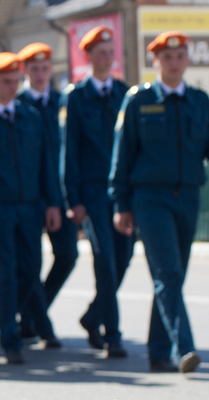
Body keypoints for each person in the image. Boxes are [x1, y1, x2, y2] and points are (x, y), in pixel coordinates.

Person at [110, 31, 209, 373]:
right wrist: (120, 204)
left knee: (173, 276)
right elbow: (122, 155)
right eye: (167, 57)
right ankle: (182, 348)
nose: (174, 62)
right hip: (149, 198)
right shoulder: (139, 101)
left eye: (180, 56)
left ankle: (158, 350)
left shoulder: (199, 102)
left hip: (187, 197)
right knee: (169, 272)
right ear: (156, 61)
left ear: (187, 60)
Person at [0, 52, 63, 364]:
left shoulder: (30, 116)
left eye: (16, 80)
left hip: (30, 207)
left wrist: (53, 204)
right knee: (5, 272)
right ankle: (10, 336)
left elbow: (47, 166)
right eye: (6, 81)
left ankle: (17, 319)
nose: (13, 86)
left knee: (31, 270)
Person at [60, 26, 133, 357]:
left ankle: (93, 316)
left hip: (121, 192)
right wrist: (71, 198)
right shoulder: (76, 96)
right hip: (91, 191)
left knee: (124, 257)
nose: (106, 58)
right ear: (89, 57)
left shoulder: (124, 93)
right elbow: (70, 151)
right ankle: (113, 334)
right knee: (104, 260)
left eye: (110, 51)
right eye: (100, 53)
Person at [16, 43, 78, 341]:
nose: (41, 74)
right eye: (34, 69)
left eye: (45, 68)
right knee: (28, 263)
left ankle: (30, 313)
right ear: (25, 71)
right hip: (27, 195)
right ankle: (40, 323)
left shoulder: (62, 103)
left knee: (68, 254)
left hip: (59, 194)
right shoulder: (15, 104)